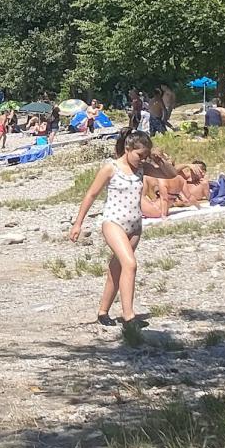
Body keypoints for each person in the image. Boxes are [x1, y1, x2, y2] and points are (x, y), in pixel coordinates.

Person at [68, 129, 178, 326]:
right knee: (130, 264)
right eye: (139, 155)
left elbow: (171, 175)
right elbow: (91, 194)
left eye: (145, 155)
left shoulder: (143, 168)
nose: (141, 159)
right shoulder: (111, 168)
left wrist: (159, 160)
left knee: (116, 269)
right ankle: (129, 316)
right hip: (114, 222)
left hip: (134, 225)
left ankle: (103, 312)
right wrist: (78, 223)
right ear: (127, 149)